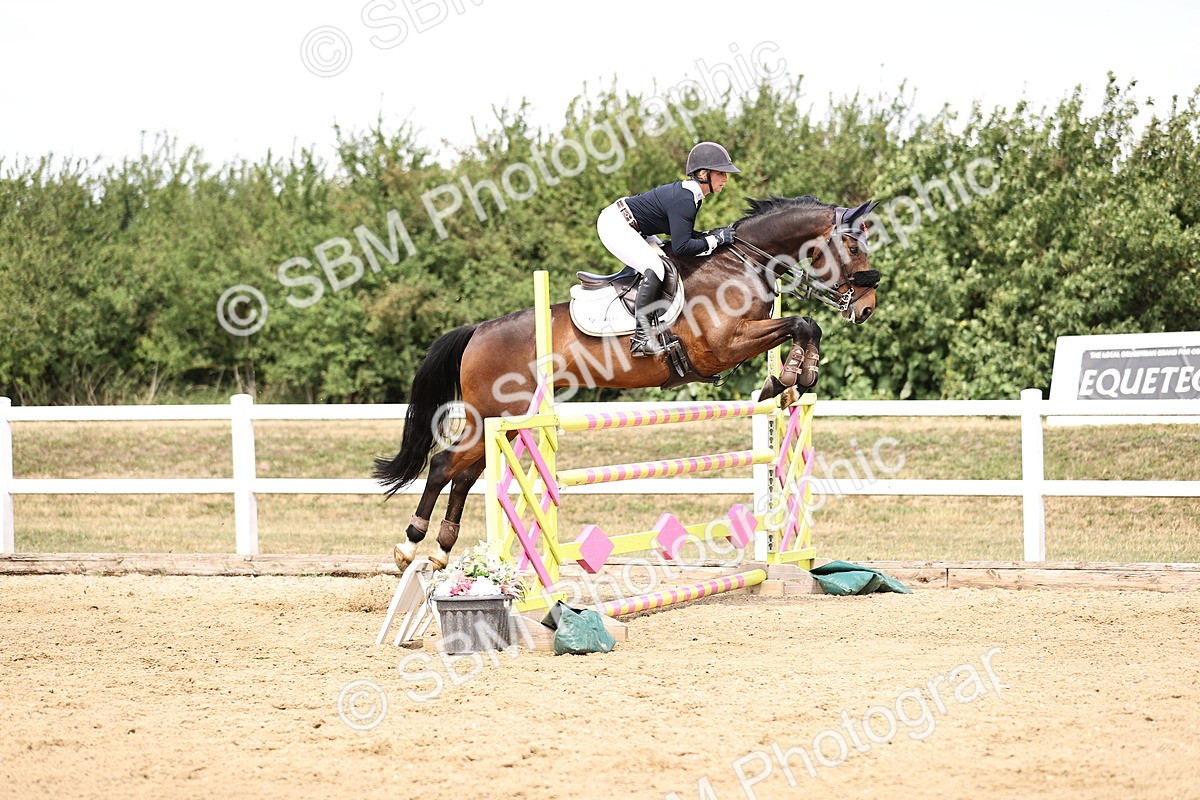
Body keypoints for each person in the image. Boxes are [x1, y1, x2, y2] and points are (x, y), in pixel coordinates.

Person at [596, 141, 740, 356]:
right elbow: (682, 247)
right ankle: (641, 338)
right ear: (703, 174)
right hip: (616, 224)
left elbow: (684, 238)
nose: (726, 178)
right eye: (721, 173)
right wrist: (716, 240)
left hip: (633, 226)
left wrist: (711, 236)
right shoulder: (686, 199)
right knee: (656, 267)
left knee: (665, 261)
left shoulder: (692, 196)